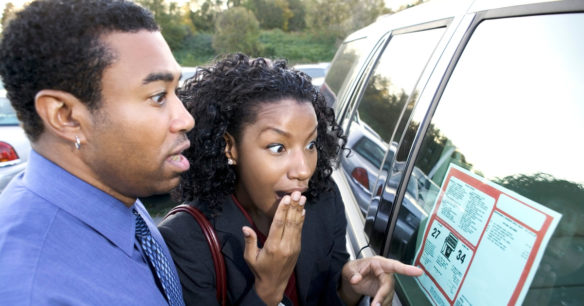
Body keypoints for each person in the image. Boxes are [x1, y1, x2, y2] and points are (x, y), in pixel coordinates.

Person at [159, 53, 423, 306]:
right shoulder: (183, 240)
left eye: (310, 145)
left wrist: (349, 288)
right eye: (278, 148)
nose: (303, 170)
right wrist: (268, 289)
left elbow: (326, 297)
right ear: (231, 148)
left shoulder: (324, 200)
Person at [0, 0, 194, 305]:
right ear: (65, 116)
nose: (185, 118)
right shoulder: (31, 290)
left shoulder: (118, 194)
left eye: (175, 92)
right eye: (158, 97)